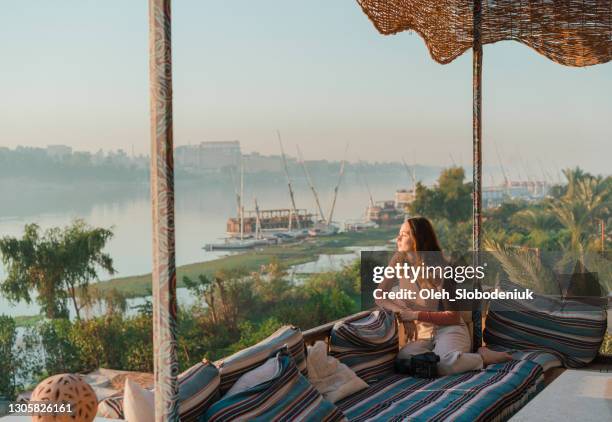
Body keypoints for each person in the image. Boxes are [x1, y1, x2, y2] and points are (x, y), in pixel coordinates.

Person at [375, 217, 512, 376]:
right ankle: (440, 360)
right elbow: (380, 295)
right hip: (424, 336)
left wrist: (414, 315)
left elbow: (453, 317)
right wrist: (402, 312)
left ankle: (482, 356)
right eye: (399, 233)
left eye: (404, 234)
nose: (398, 238)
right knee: (403, 360)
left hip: (449, 329)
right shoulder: (398, 262)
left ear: (418, 240)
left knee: (444, 363)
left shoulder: (440, 269)